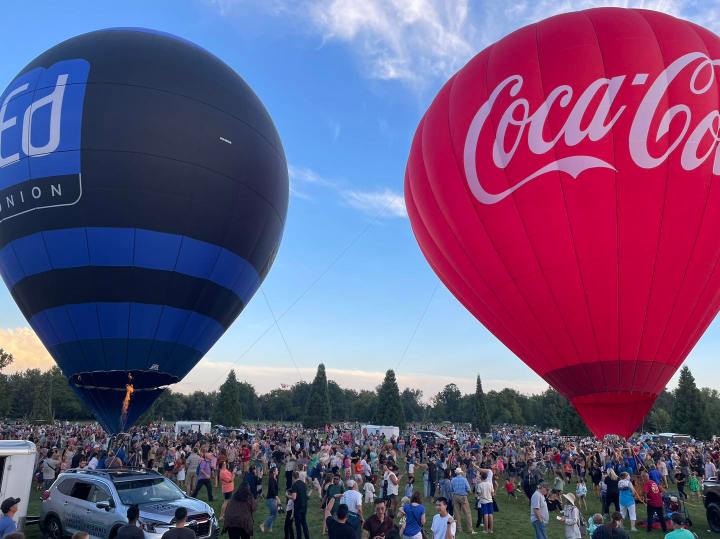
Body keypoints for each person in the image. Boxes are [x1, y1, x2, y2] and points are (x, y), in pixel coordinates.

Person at [449, 468, 474, 535]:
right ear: (461, 473)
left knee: (457, 513)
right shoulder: (464, 479)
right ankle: (470, 528)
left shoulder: (453, 479)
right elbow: (468, 489)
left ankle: (459, 528)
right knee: (467, 513)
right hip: (463, 496)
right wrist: (468, 492)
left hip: (455, 496)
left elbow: (451, 489)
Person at [290, 471, 310, 539]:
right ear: (298, 476)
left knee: (298, 525)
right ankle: (307, 537)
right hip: (304, 506)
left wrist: (287, 495)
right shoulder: (303, 484)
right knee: (304, 522)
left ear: (293, 477)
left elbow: (294, 497)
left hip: (298, 507)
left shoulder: (294, 485)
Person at [261, 465, 280, 533]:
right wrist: (277, 498)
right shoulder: (271, 479)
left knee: (272, 514)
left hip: (273, 499)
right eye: (277, 470)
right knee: (274, 515)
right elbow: (272, 490)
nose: (278, 471)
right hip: (270, 499)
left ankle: (270, 528)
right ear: (274, 472)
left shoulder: (275, 478)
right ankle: (263, 525)